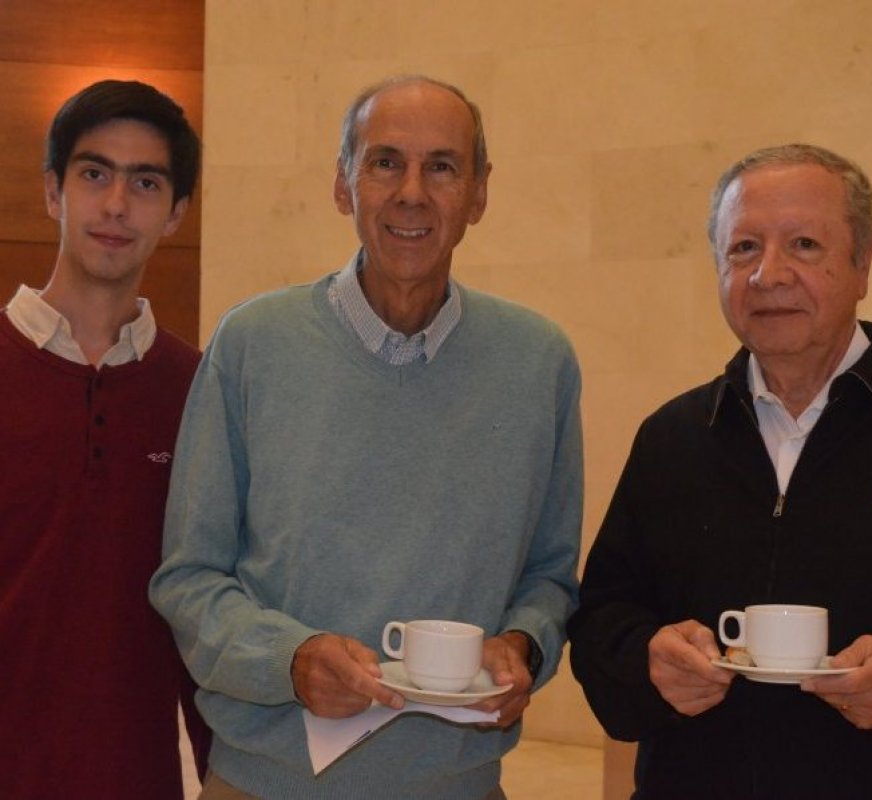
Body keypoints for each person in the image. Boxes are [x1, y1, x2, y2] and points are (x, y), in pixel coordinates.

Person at [149, 74, 583, 800]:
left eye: (442, 166)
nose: (412, 192)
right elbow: (189, 578)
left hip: (460, 787)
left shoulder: (539, 363)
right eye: (385, 162)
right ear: (343, 183)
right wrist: (289, 661)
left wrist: (523, 646)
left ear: (478, 193)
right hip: (265, 785)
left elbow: (550, 578)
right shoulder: (252, 344)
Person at [568, 143, 872, 799]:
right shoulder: (672, 438)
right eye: (744, 248)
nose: (767, 275)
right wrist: (647, 662)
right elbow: (602, 619)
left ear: (862, 262)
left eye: (804, 244)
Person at [0, 80, 209, 798]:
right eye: (95, 174)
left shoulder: (201, 390)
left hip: (137, 778)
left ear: (176, 212)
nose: (117, 204)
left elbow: (209, 615)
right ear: (52, 191)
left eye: (145, 182)